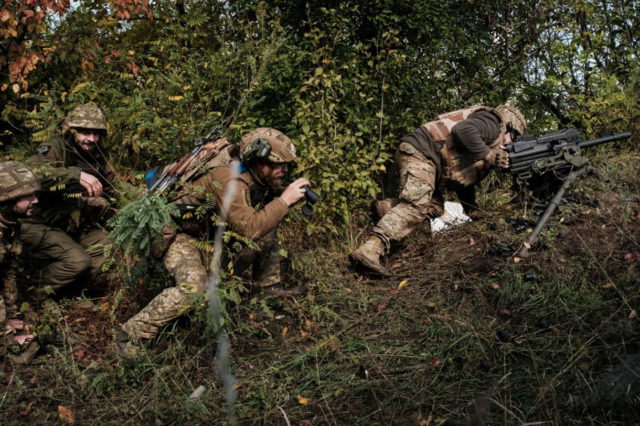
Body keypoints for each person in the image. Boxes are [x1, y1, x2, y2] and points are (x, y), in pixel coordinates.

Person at [119, 127, 312, 346]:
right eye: (277, 165)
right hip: (179, 234)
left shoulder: (249, 169)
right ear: (257, 161)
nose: (284, 170)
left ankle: (267, 289)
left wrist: (284, 193)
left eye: (286, 165)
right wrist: (284, 200)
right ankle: (131, 335)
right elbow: (249, 228)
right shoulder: (229, 177)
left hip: (206, 232)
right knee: (195, 287)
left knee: (267, 226)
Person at [350, 104, 527, 276]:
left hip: (427, 158)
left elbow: (465, 179)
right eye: (515, 137)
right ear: (509, 127)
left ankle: (388, 208)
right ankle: (371, 249)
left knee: (435, 207)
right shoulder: (492, 124)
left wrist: (472, 209)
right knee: (416, 207)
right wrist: (489, 155)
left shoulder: (488, 142)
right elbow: (462, 130)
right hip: (422, 152)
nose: (512, 143)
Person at [21, 103, 118, 298]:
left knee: (109, 246)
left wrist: (142, 201)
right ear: (70, 130)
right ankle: (29, 296)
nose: (91, 139)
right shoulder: (55, 147)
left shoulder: (98, 154)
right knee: (77, 260)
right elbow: (33, 174)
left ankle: (72, 296)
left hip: (71, 224)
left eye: (96, 133)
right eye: (84, 132)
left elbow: (115, 185)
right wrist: (76, 175)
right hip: (39, 223)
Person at [0, 161, 39, 348]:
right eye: (28, 196)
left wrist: (11, 316)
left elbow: (7, 274)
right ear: (7, 199)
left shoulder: (9, 224)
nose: (36, 200)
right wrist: (5, 334)